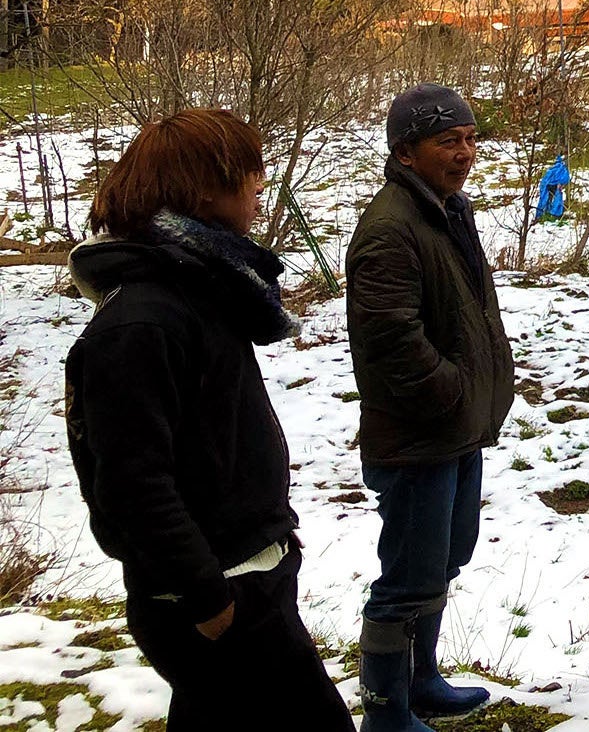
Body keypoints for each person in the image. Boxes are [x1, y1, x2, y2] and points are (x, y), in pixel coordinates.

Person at [65, 109, 355, 731]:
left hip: (245, 575)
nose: (260, 183)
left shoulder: (197, 290)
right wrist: (208, 598)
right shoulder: (143, 320)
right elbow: (131, 483)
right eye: (248, 171)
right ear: (203, 189)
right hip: (211, 594)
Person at [345, 84, 514, 731]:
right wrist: (449, 391)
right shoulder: (390, 227)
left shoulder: (447, 209)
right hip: (418, 435)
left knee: (444, 558)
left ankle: (422, 680)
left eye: (471, 139)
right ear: (406, 152)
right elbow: (390, 339)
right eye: (449, 141)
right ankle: (385, 709)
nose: (465, 153)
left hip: (456, 429)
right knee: (407, 576)